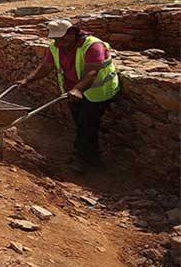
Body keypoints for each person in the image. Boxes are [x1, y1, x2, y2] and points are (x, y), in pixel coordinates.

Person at [15, 20, 120, 166]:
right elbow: (46, 67)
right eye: (56, 39)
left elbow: (92, 71)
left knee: (86, 125)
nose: (59, 43)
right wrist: (27, 80)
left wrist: (78, 89)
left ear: (73, 33)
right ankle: (92, 157)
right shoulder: (55, 47)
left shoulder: (93, 46)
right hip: (72, 91)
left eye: (63, 39)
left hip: (98, 91)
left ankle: (82, 160)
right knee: (82, 124)